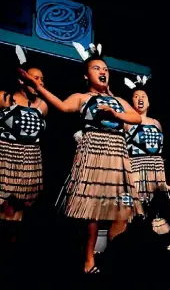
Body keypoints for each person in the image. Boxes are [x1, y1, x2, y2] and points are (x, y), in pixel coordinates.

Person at [18, 44, 143, 273]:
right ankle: (89, 259)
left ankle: (113, 254)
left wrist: (116, 113)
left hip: (117, 154)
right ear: (87, 75)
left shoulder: (118, 101)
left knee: (121, 207)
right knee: (92, 209)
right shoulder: (82, 97)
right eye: (97, 68)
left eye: (105, 68)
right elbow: (62, 106)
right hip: (93, 151)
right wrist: (37, 86)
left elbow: (136, 118)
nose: (103, 71)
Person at [0, 62, 48, 245]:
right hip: (5, 155)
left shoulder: (42, 106)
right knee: (3, 205)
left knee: (19, 206)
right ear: (22, 79)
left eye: (42, 80)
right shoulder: (4, 98)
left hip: (30, 157)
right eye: (36, 78)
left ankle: (12, 250)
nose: (40, 83)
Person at [125, 85, 170, 233]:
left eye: (143, 96)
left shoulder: (156, 123)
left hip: (156, 171)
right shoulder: (127, 123)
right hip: (135, 169)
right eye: (136, 96)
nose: (140, 99)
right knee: (133, 209)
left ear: (149, 102)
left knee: (156, 210)